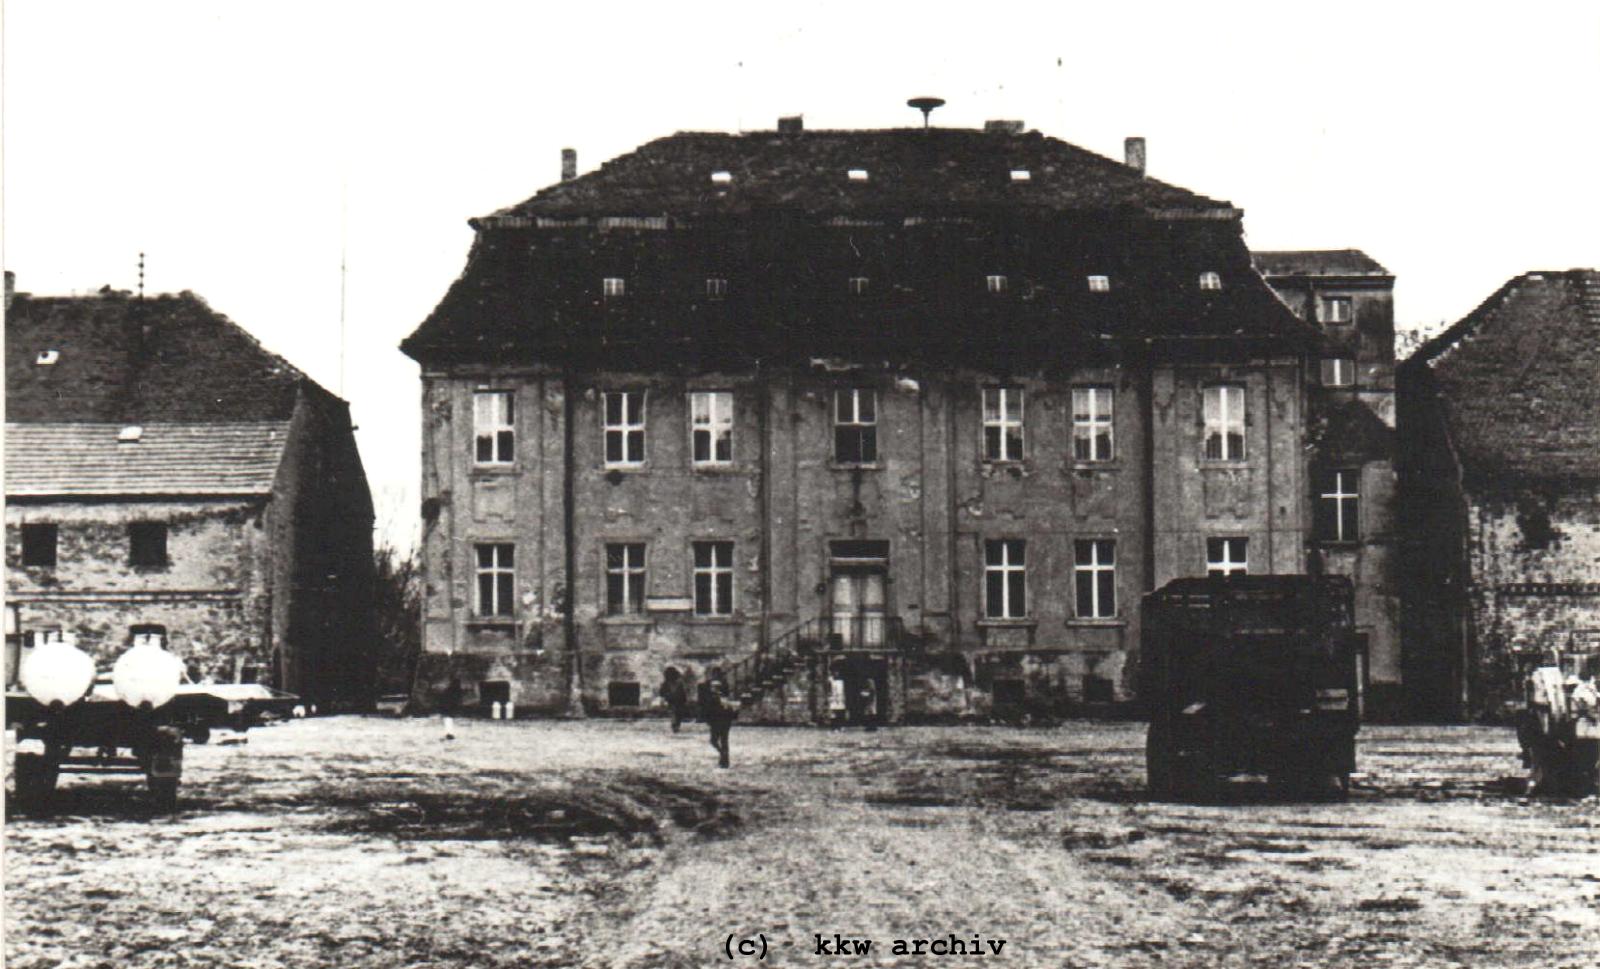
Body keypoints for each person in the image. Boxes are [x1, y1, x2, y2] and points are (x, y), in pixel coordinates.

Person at [699, 666, 735, 768]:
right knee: (724, 741)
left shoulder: (713, 697)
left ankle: (723, 756)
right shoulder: (724, 693)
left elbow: (708, 709)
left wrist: (706, 718)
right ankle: (724, 759)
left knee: (714, 740)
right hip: (725, 720)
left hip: (717, 720)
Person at [659, 667, 689, 733]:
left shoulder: (678, 683)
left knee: (676, 713)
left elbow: (683, 692)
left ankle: (675, 725)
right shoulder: (667, 683)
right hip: (673, 700)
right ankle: (675, 725)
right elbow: (662, 692)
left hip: (677, 700)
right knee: (674, 712)